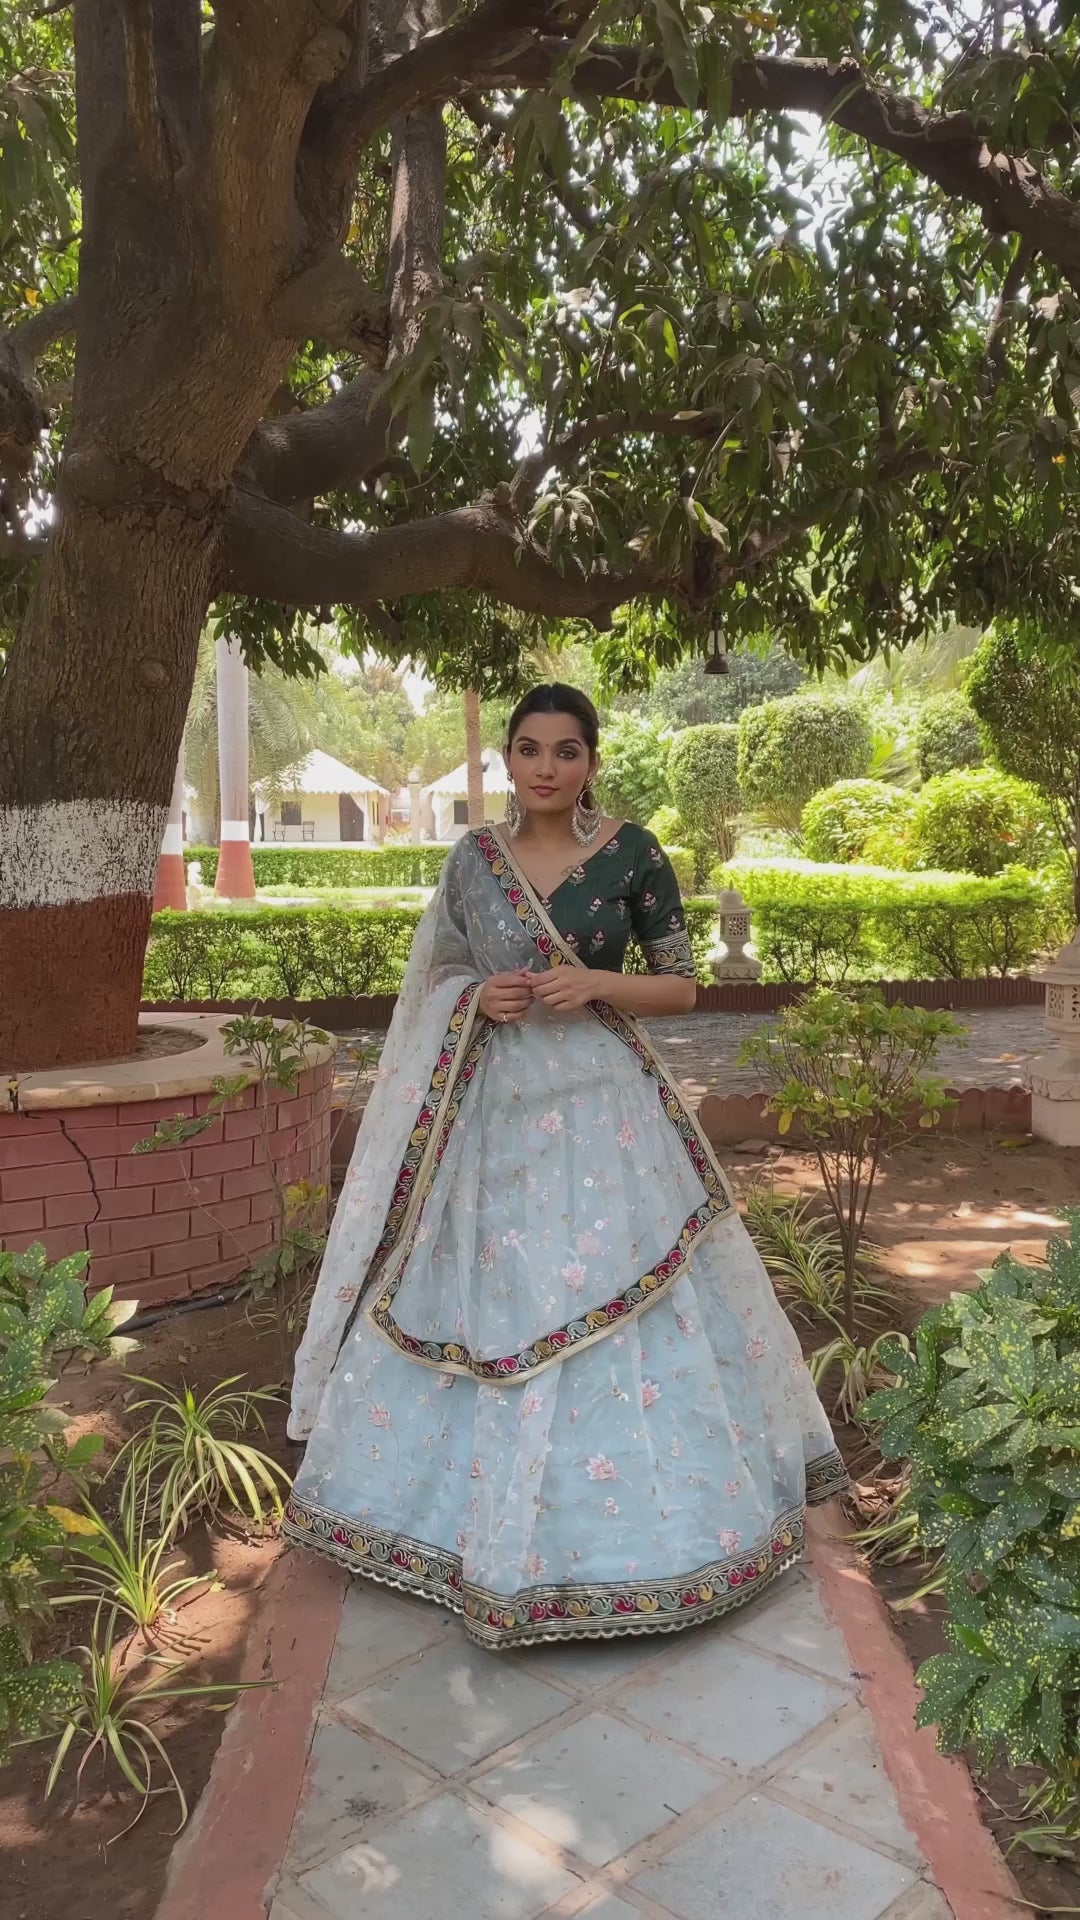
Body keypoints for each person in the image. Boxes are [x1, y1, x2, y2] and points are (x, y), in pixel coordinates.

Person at [285, 684, 845, 1650]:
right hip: (493, 1111)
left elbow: (681, 987)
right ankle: (455, 1532)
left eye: (567, 750)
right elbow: (436, 978)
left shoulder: (633, 852)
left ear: (592, 760)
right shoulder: (472, 862)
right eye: (530, 749)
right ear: (509, 760)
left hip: (606, 1111)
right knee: (494, 1290)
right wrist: (479, 995)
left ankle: (653, 1539)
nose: (547, 767)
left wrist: (596, 983)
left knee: (617, 1290)